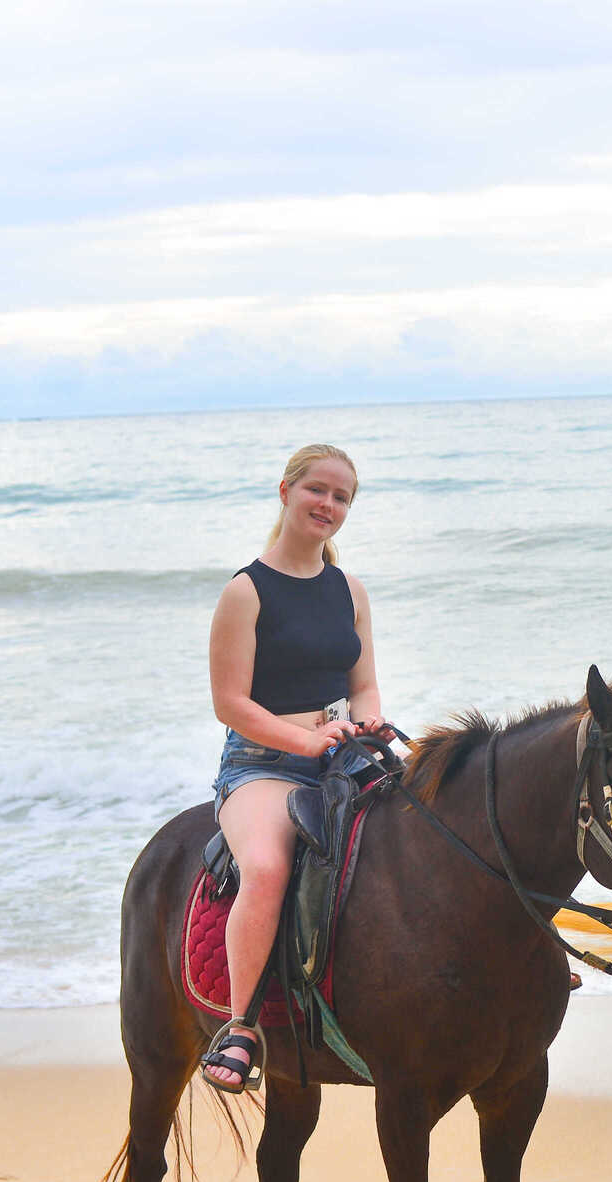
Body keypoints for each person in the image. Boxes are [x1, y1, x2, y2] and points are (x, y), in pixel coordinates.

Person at [199, 444, 391, 1092]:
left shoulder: (350, 590)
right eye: (317, 490)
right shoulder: (246, 591)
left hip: (341, 752)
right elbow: (230, 703)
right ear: (285, 491)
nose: (327, 505)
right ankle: (241, 1028)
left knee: (433, 821)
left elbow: (363, 684)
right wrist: (304, 742)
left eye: (341, 497)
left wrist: (367, 723)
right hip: (260, 764)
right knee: (267, 867)